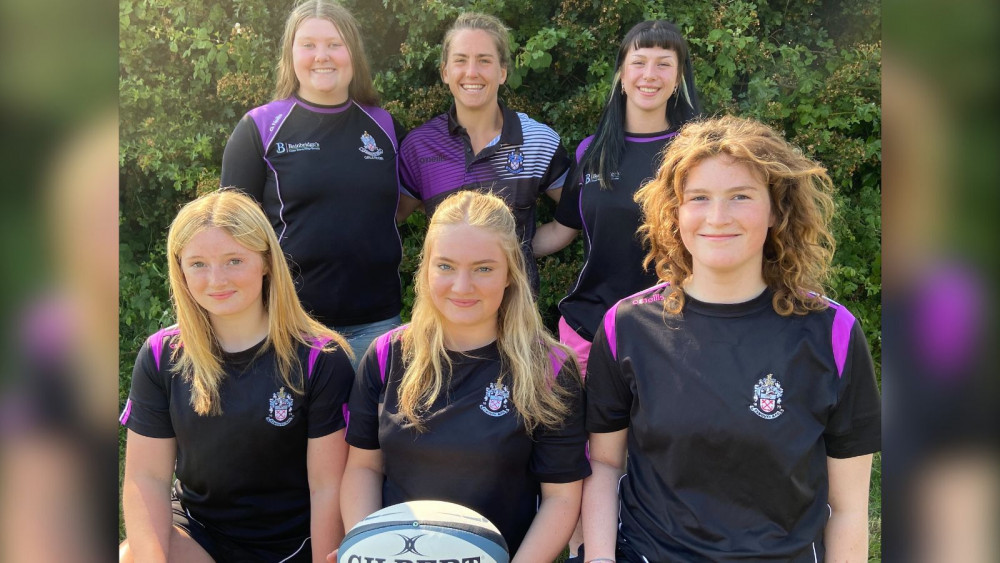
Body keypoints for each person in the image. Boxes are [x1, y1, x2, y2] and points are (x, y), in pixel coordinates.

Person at [582, 116, 882, 562]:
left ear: (776, 210)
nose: (717, 218)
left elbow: (850, 506)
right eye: (699, 198)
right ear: (675, 211)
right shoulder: (627, 326)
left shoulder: (831, 332)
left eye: (740, 197)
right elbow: (605, 465)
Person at [340, 191, 590, 561]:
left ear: (510, 274)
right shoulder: (385, 356)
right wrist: (368, 551)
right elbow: (363, 468)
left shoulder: (549, 369)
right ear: (425, 268)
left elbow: (562, 497)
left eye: (483, 268)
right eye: (445, 266)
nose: (461, 286)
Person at [119, 190, 355, 562]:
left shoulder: (320, 359)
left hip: (289, 545)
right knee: (134, 555)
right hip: (199, 533)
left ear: (265, 262)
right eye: (198, 264)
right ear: (179, 269)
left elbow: (328, 488)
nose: (216, 280)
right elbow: (145, 477)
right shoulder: (162, 355)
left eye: (233, 260)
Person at [221, 0, 404, 364]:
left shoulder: (385, 127)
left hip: (377, 323)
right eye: (308, 45)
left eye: (335, 44)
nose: (323, 55)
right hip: (291, 323)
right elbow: (230, 234)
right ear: (291, 55)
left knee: (374, 424)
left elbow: (403, 205)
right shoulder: (259, 129)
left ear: (353, 53)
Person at [533, 19, 700, 377]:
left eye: (664, 63)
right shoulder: (590, 153)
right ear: (622, 76)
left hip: (673, 333)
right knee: (574, 434)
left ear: (678, 78)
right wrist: (497, 244)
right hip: (587, 332)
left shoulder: (697, 155)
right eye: (639, 62)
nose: (649, 74)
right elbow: (562, 232)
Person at [397, 12, 570, 293]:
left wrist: (519, 248)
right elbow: (391, 215)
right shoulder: (420, 145)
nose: (472, 72)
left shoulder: (539, 141)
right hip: (445, 312)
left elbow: (578, 216)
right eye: (461, 60)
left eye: (484, 60)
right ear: (445, 72)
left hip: (517, 318)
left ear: (502, 72)